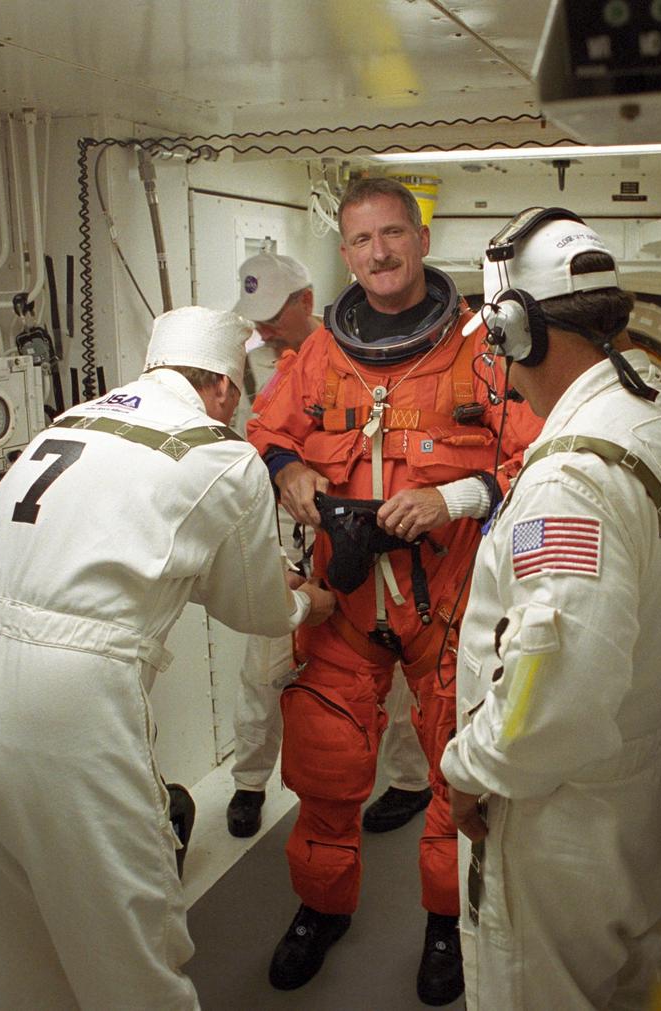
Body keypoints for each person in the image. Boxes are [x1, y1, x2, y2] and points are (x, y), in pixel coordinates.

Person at [0, 306, 336, 1010]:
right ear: (226, 390)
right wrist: (305, 603)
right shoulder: (218, 450)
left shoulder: (68, 422)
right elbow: (255, 609)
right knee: (128, 945)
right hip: (64, 700)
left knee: (13, 944)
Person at [440, 208, 661, 1009]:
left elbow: (557, 697)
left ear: (516, 329)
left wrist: (466, 768)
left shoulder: (572, 476)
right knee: (632, 983)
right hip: (656, 781)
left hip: (566, 810)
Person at [248, 177, 541, 1005]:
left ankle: (447, 924)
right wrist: (291, 470)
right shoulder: (317, 357)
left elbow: (531, 452)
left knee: (457, 773)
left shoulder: (481, 348)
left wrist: (456, 497)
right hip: (343, 602)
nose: (378, 253)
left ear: (418, 238)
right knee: (325, 769)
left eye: (392, 235)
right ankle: (321, 907)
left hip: (447, 602)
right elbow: (266, 431)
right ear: (345, 253)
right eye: (361, 241)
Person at [227, 249, 432, 838]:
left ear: (304, 301)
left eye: (272, 313)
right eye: (254, 316)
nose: (263, 327)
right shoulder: (240, 369)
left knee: (392, 672)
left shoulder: (352, 357)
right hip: (277, 540)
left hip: (366, 543)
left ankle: (408, 782)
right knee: (262, 669)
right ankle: (248, 782)